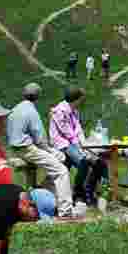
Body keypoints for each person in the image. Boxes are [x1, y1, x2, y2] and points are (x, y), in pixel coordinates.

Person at [6, 82, 75, 218]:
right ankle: (65, 210)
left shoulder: (14, 109)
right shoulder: (31, 111)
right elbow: (40, 139)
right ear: (37, 96)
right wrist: (50, 150)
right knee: (62, 171)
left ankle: (41, 190)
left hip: (15, 149)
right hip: (28, 149)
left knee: (60, 158)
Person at [49, 87, 107, 206]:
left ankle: (89, 191)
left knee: (99, 162)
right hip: (62, 144)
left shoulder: (74, 111)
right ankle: (78, 193)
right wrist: (82, 149)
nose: (82, 102)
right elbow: (67, 132)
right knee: (83, 161)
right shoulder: (59, 111)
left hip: (74, 143)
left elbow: (78, 130)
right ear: (75, 99)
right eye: (81, 99)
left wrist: (85, 145)